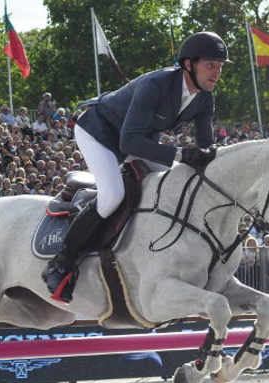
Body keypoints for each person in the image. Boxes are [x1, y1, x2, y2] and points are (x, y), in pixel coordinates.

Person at [42, 32, 231, 302]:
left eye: (220, 66)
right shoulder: (156, 84)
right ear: (189, 64)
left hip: (139, 139)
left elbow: (205, 148)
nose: (217, 71)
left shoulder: (204, 98)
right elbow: (129, 142)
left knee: (172, 185)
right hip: (99, 132)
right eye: (211, 64)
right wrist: (179, 153)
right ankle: (61, 264)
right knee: (112, 197)